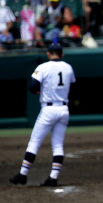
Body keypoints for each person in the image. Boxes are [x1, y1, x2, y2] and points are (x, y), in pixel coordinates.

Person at [9, 43, 75, 187]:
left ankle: (22, 175)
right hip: (64, 109)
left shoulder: (43, 67)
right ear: (61, 54)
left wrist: (40, 91)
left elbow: (33, 87)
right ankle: (53, 177)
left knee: (34, 143)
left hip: (48, 110)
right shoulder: (68, 67)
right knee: (58, 145)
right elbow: (71, 86)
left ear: (48, 54)